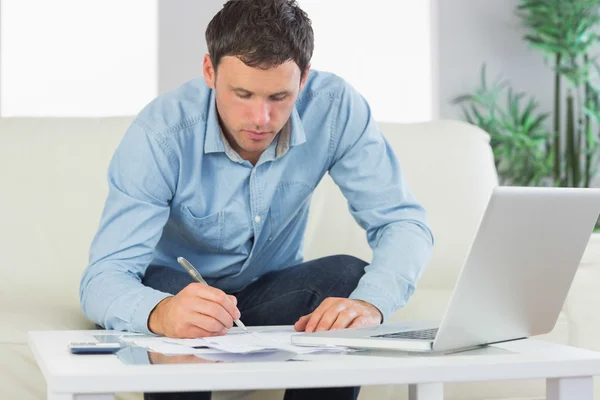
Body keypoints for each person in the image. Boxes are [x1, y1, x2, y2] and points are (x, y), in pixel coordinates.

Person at [79, 0, 434, 399]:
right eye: (243, 93)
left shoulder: (335, 108)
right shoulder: (160, 134)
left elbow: (403, 223)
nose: (260, 119)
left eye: (279, 96)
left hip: (270, 292)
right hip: (178, 290)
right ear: (210, 71)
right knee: (179, 307)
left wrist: (373, 304)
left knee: (349, 278)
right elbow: (102, 279)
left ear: (303, 80)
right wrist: (160, 313)